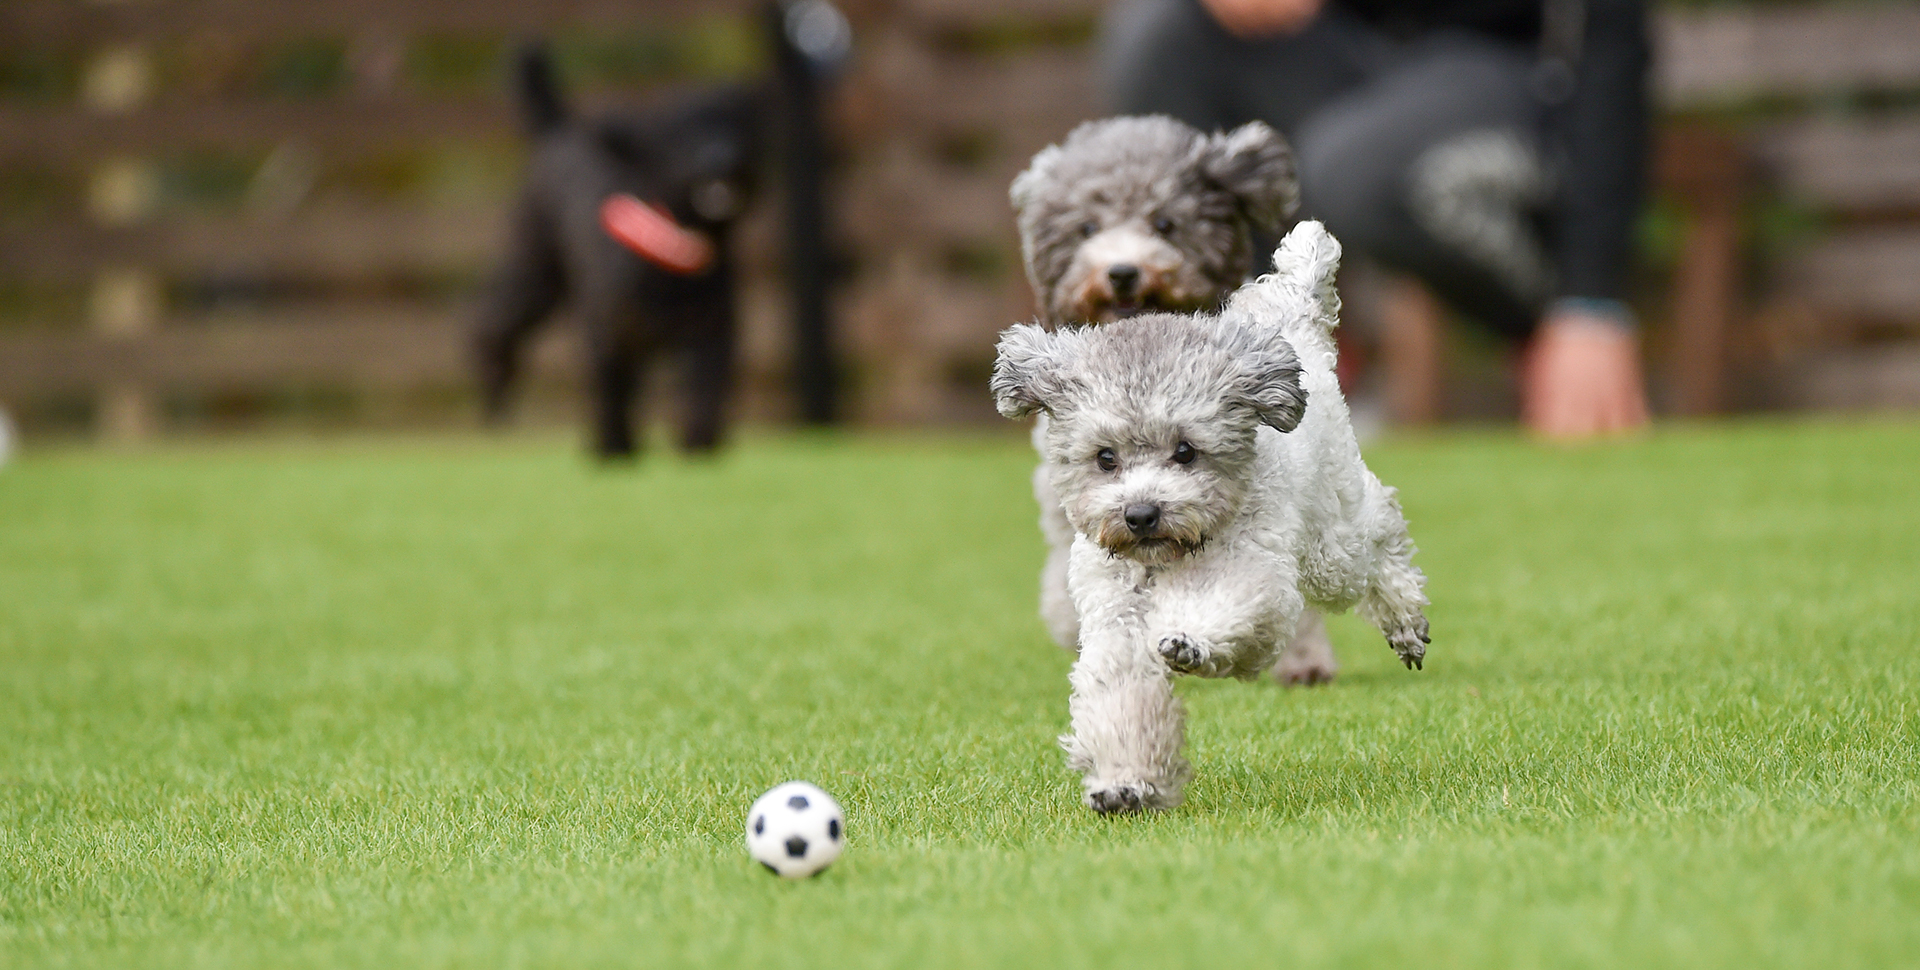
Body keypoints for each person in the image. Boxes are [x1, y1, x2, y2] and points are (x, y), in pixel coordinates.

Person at [1100, 0, 1651, 438]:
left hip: (1510, 76)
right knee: (1163, 34)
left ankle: (1546, 337)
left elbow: (1609, 44)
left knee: (1352, 172)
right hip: (1350, 58)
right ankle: (1244, 367)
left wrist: (1590, 300)